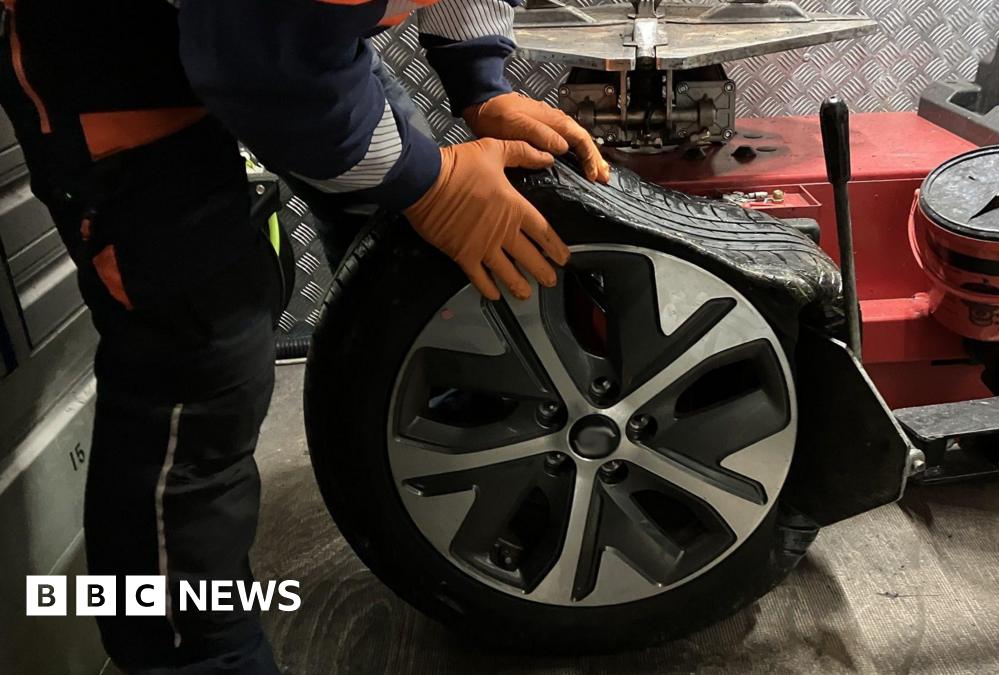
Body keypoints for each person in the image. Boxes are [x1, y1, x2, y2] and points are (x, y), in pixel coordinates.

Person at [0, 0, 606, 671]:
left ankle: (472, 464)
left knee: (403, 229)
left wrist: (481, 82)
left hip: (255, 33)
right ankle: (189, 654)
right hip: (106, 52)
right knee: (197, 353)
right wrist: (429, 184)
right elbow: (258, 64)